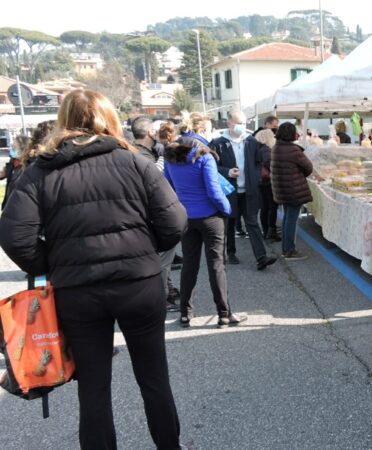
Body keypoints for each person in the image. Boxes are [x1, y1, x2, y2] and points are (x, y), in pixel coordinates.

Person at [0, 89, 187, 450]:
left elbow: (13, 234)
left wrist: (53, 264)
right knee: (154, 378)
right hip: (139, 283)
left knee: (93, 386)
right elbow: (175, 221)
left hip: (78, 291)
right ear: (109, 117)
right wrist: (147, 250)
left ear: (64, 120)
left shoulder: (41, 169)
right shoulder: (134, 161)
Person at [163, 142, 247, 328]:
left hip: (186, 217)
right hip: (210, 217)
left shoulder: (171, 161)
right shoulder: (204, 158)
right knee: (216, 265)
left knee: (189, 265)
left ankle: (185, 313)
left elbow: (168, 189)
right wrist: (226, 209)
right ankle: (224, 315)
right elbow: (214, 191)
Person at [210, 111, 277, 269]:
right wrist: (227, 171)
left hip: (249, 190)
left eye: (244, 123)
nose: (243, 126)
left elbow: (263, 156)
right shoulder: (218, 143)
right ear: (229, 124)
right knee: (230, 223)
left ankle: (261, 257)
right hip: (229, 191)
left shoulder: (251, 141)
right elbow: (210, 166)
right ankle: (230, 253)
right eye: (239, 123)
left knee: (252, 223)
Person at [132, 116, 182, 312]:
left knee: (163, 260)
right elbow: (155, 179)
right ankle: (162, 299)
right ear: (150, 133)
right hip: (152, 215)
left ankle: (168, 290)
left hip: (148, 214)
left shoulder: (137, 152)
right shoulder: (143, 157)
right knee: (162, 260)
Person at [271, 122, 313, 260]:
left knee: (287, 219)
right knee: (291, 220)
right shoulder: (293, 150)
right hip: (294, 189)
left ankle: (286, 249)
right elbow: (308, 167)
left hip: (282, 189)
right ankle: (289, 250)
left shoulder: (276, 147)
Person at [255, 116, 281, 241]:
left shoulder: (258, 147)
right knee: (271, 207)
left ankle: (266, 231)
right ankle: (270, 231)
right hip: (267, 181)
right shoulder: (266, 149)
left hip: (261, 181)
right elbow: (269, 162)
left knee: (265, 207)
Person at [1, 135, 29, 209]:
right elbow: (3, 173)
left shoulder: (29, 165)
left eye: (14, 148)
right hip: (9, 203)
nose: (12, 150)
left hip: (21, 206)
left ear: (23, 149)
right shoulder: (12, 162)